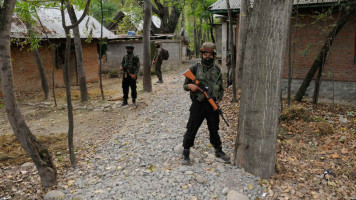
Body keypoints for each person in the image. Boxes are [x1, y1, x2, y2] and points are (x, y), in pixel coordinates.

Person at [182, 42, 230, 165]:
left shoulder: (217, 70)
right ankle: (186, 151)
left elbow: (221, 89)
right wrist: (190, 86)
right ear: (201, 54)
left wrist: (217, 100)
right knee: (192, 127)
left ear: (213, 55)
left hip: (212, 104)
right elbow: (185, 85)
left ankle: (218, 150)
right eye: (205, 54)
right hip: (198, 104)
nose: (207, 57)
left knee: (214, 128)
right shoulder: (195, 69)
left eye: (209, 54)